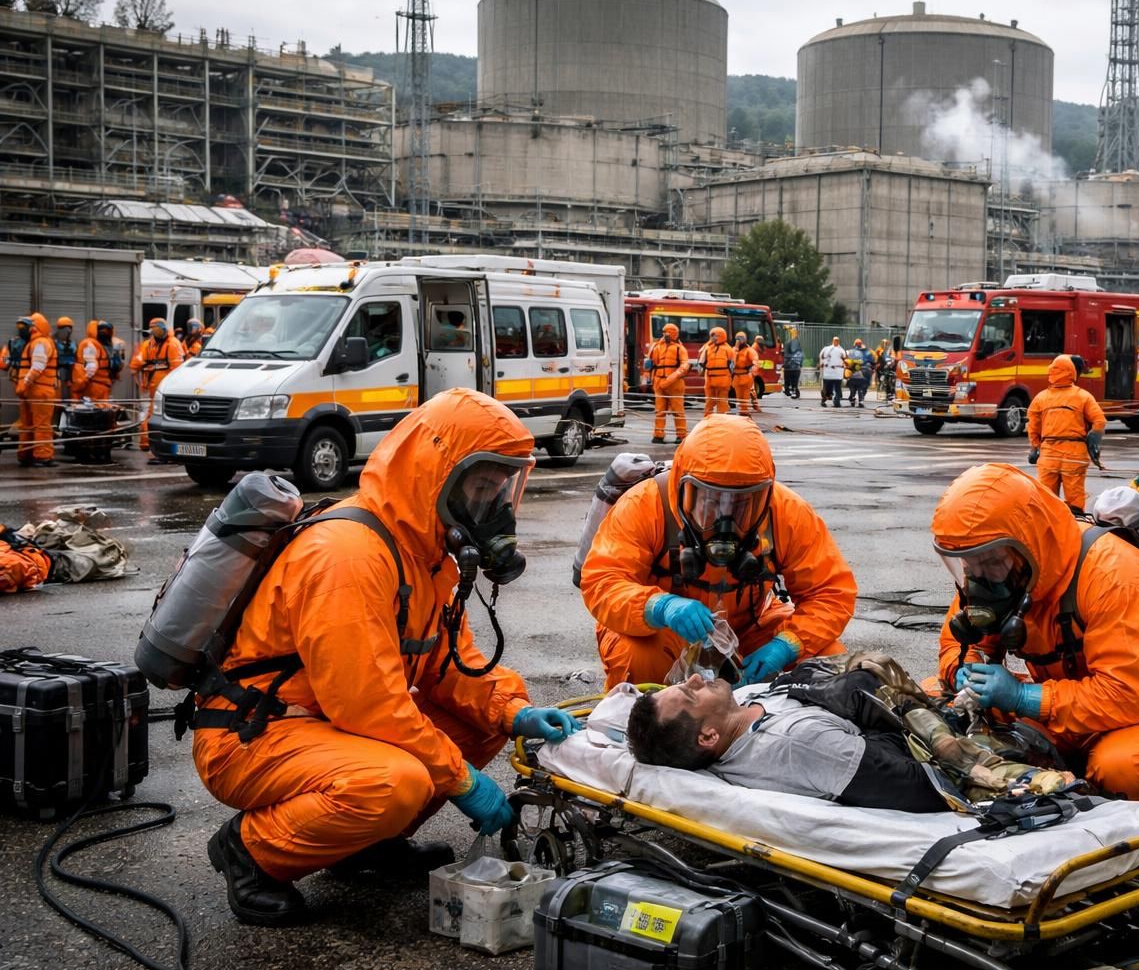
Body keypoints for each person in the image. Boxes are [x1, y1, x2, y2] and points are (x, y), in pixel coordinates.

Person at [193, 388, 579, 926]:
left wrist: (511, 712)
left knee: (485, 720)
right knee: (397, 782)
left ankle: (360, 843)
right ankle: (253, 851)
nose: (494, 508)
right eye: (483, 488)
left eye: (501, 490)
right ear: (436, 474)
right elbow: (367, 705)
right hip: (254, 734)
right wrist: (461, 779)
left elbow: (450, 666)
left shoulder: (426, 554)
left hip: (329, 727)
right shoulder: (348, 555)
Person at [931, 463, 1139, 832]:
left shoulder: (1114, 573)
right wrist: (965, 673)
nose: (978, 576)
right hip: (1068, 700)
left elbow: (1127, 695)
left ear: (1029, 543)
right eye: (968, 565)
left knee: (1130, 768)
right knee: (932, 707)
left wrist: (1022, 697)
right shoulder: (995, 572)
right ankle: (1076, 772)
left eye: (990, 562)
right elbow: (960, 642)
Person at [580, 414, 857, 690]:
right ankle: (647, 726)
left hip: (748, 629)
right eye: (711, 502)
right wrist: (659, 606)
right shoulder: (645, 505)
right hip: (668, 630)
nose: (726, 520)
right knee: (639, 655)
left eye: (742, 504)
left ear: (765, 493)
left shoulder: (787, 512)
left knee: (827, 660)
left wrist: (787, 645)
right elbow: (603, 582)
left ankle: (783, 728)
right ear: (682, 488)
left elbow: (831, 593)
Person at [627, 653, 1070, 813]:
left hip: (919, 707)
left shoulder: (750, 705)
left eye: (681, 682)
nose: (695, 679)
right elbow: (917, 785)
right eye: (688, 695)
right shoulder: (798, 744)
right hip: (954, 744)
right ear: (707, 738)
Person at [1026, 354, 1107, 515]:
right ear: (1072, 372)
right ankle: (1076, 528)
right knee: (1075, 501)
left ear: (1052, 372)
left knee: (1047, 500)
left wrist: (1035, 446)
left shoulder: (1041, 398)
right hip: (1075, 454)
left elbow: (1033, 426)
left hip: (1049, 455)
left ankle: (1050, 532)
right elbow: (1099, 421)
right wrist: (1094, 439)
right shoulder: (1082, 396)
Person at [130, 317, 185, 453]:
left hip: (165, 387)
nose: (154, 333)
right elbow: (134, 366)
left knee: (158, 415)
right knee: (152, 415)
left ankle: (158, 445)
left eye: (156, 330)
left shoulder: (172, 344)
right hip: (153, 385)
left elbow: (177, 369)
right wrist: (142, 382)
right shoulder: (148, 344)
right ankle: (148, 443)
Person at [15, 313, 59, 468]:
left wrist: (24, 385)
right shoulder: (39, 342)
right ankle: (42, 456)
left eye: (24, 327)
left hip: (31, 390)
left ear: (35, 328)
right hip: (39, 390)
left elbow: (37, 366)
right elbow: (37, 367)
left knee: (29, 424)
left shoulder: (37, 343)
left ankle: (27, 454)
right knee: (40, 425)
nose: (21, 330)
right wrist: (26, 384)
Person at [646, 322, 688, 444]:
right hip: (659, 382)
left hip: (675, 384)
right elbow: (649, 364)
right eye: (664, 332)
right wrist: (650, 378)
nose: (666, 334)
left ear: (674, 334)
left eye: (668, 332)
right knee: (659, 411)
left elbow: (685, 365)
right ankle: (658, 435)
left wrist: (672, 378)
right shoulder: (656, 347)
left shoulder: (680, 349)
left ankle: (681, 435)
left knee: (678, 410)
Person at [74, 320, 117, 407]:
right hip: (99, 386)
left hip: (97, 386)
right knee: (99, 412)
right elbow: (92, 366)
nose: (104, 333)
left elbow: (91, 366)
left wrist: (82, 382)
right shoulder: (95, 345)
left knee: (96, 412)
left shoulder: (93, 344)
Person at [700, 326, 733, 416]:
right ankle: (707, 421)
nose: (713, 338)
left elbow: (732, 365)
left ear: (721, 336)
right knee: (709, 403)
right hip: (710, 380)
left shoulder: (728, 349)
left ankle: (721, 423)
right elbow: (702, 362)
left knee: (722, 403)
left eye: (715, 336)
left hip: (723, 380)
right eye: (712, 336)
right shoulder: (708, 348)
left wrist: (730, 378)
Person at [730, 331, 757, 417]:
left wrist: (753, 370)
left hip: (745, 376)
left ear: (745, 339)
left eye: (741, 338)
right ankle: (742, 413)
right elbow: (731, 360)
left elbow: (755, 361)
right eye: (738, 338)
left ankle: (745, 414)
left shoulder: (749, 350)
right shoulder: (733, 350)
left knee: (745, 398)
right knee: (739, 398)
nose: (739, 340)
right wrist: (736, 348)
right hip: (736, 377)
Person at [53, 317, 77, 403]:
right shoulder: (53, 342)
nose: (69, 331)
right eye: (66, 329)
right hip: (58, 371)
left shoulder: (72, 343)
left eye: (70, 328)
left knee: (68, 396)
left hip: (71, 372)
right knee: (59, 395)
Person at [819, 336, 847, 408]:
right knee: (827, 389)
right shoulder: (827, 349)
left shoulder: (841, 350)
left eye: (837, 341)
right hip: (829, 374)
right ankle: (824, 399)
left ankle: (836, 401)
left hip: (836, 374)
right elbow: (821, 358)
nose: (836, 342)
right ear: (833, 341)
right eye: (835, 340)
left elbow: (845, 361)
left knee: (836, 389)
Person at [782, 327, 803, 399]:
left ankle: (789, 390)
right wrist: (800, 364)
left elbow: (786, 355)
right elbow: (800, 355)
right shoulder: (798, 344)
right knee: (794, 383)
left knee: (788, 382)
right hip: (795, 368)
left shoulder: (788, 343)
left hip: (789, 368)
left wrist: (785, 364)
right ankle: (792, 391)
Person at [751, 335, 767, 412]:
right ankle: (755, 405)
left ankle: (755, 404)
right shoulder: (755, 348)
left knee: (754, 389)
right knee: (752, 390)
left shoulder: (758, 347)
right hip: (754, 373)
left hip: (755, 372)